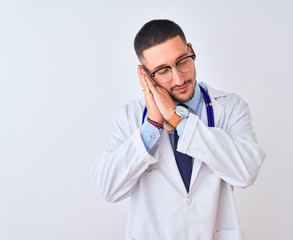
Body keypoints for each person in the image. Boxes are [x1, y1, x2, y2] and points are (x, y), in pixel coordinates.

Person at [91, 19, 265, 240]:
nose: (179, 77)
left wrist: (178, 119)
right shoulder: (133, 116)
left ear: (191, 50)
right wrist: (151, 126)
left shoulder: (230, 107)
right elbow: (108, 188)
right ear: (145, 74)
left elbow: (245, 172)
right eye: (163, 70)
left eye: (182, 61)